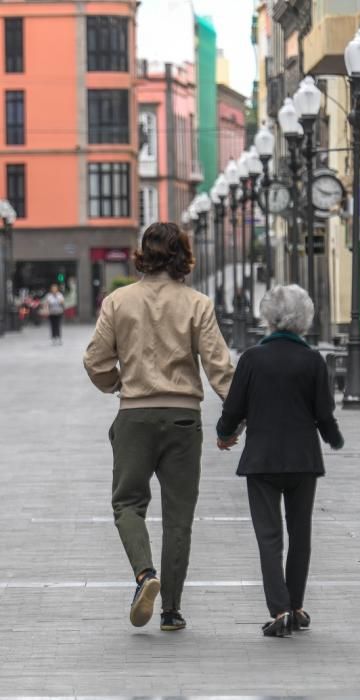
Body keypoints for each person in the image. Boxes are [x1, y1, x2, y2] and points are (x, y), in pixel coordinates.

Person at [83, 222, 234, 631]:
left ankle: (144, 575)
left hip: (135, 415)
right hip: (184, 417)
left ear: (142, 255)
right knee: (178, 517)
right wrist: (235, 417)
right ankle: (172, 611)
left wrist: (119, 383)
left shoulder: (118, 302)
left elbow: (95, 361)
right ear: (182, 255)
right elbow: (220, 367)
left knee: (127, 503)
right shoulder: (197, 303)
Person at [216, 284, 344, 638]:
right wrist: (334, 440)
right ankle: (297, 604)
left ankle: (280, 609)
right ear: (304, 318)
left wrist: (225, 434)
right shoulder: (313, 360)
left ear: (268, 317)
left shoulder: (253, 359)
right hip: (303, 460)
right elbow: (324, 414)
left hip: (262, 461)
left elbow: (234, 408)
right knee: (300, 535)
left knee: (269, 537)